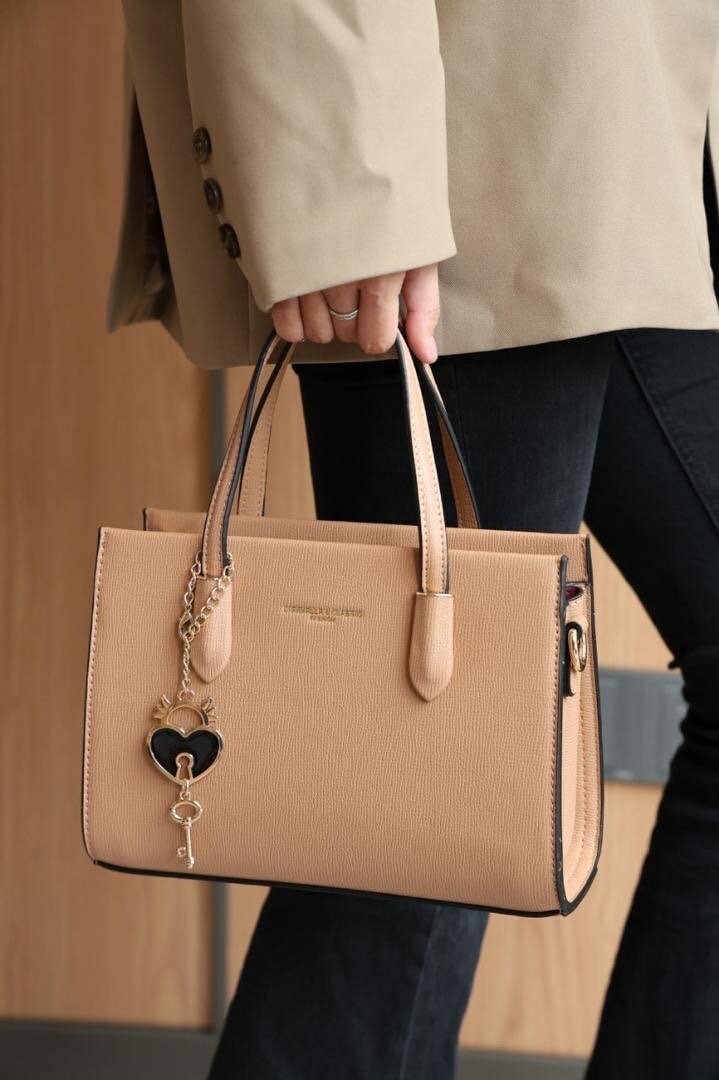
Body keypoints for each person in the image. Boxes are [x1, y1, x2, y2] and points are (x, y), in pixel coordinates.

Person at [111, 3, 719, 1076]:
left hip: (624, 138)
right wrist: (344, 175)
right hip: (459, 159)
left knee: (420, 772)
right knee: (421, 778)